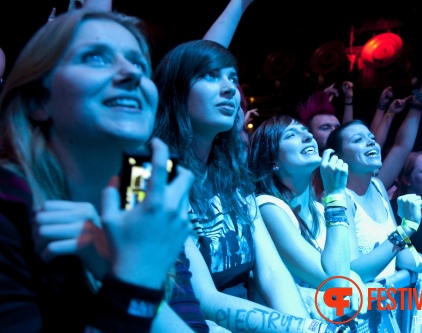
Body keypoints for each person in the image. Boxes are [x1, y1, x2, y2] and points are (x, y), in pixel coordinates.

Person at [0, 9, 208, 332]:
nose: (132, 74)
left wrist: (116, 267)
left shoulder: (147, 191)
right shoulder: (8, 206)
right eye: (95, 57)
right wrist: (133, 281)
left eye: (139, 64)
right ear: (38, 100)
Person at [151, 39, 337, 333]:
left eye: (233, 78)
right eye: (210, 76)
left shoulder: (234, 177)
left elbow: (272, 274)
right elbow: (205, 298)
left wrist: (308, 326)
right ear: (176, 89)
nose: (230, 89)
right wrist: (306, 330)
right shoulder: (158, 174)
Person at [326, 118, 422, 332]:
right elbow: (353, 271)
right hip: (363, 318)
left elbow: (400, 251)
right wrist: (405, 229)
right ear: (339, 158)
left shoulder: (379, 186)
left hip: (391, 307)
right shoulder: (341, 199)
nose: (371, 142)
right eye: (358, 140)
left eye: (372, 138)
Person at [247, 114, 367, 320]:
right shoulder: (268, 207)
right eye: (292, 135)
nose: (307, 137)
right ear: (272, 160)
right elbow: (336, 281)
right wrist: (336, 194)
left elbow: (347, 268)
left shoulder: (321, 211)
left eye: (307, 132)